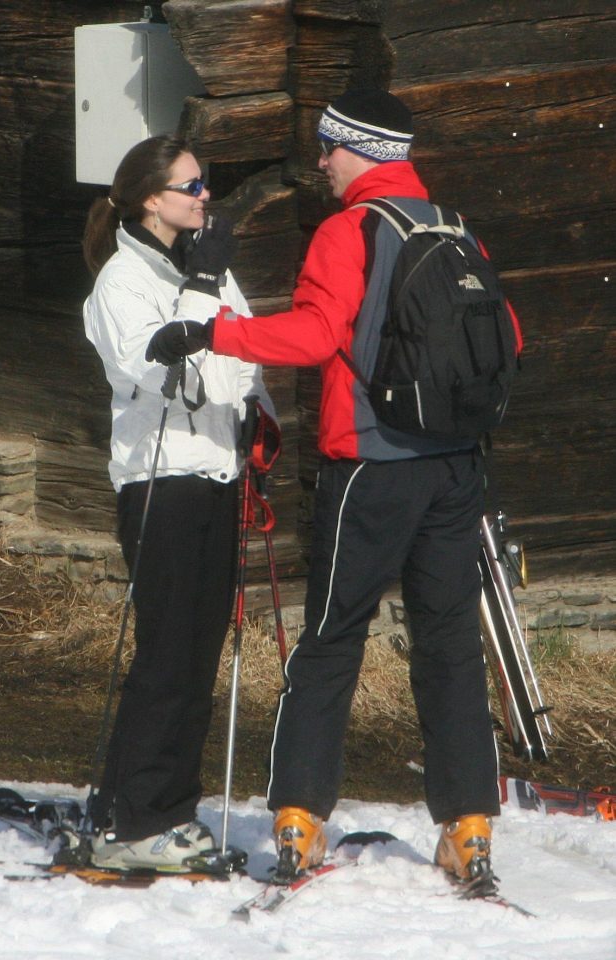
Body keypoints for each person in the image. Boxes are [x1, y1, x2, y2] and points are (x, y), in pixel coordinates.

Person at [157, 89, 524, 889]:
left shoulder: (348, 229)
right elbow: (509, 337)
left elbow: (316, 333)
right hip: (456, 465)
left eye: (330, 147)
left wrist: (211, 331)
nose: (320, 161)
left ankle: (297, 818)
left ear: (363, 151)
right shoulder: (456, 228)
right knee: (450, 646)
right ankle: (466, 828)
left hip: (370, 464)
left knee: (329, 640)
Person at [81, 135, 275, 871]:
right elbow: (167, 376)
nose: (205, 198)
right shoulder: (119, 286)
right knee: (166, 652)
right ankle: (136, 815)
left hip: (218, 474)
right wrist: (200, 288)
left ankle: (160, 806)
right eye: (192, 187)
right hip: (160, 482)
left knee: (198, 650)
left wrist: (261, 421)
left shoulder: (208, 270)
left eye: (206, 185)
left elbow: (241, 354)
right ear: (149, 198)